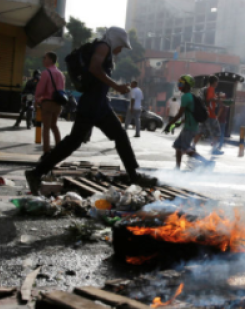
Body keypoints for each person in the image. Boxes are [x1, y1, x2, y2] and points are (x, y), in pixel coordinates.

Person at [25, 27, 156, 193]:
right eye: (121, 46)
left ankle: (133, 175)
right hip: (93, 104)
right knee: (76, 141)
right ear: (115, 40)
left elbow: (97, 75)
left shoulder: (104, 48)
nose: (120, 50)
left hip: (99, 103)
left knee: (118, 136)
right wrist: (115, 85)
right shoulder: (103, 47)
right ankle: (37, 172)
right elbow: (94, 68)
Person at [164, 75, 214, 170]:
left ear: (187, 85)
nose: (179, 85)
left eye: (181, 83)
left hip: (190, 128)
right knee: (178, 146)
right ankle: (177, 168)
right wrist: (179, 123)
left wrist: (170, 124)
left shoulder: (186, 97)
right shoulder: (190, 96)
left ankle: (207, 163)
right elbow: (189, 114)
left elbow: (179, 114)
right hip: (190, 126)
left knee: (186, 148)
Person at [35, 53, 64, 154]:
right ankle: (59, 148)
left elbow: (40, 89)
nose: (43, 60)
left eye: (45, 58)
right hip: (58, 103)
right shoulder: (60, 73)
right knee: (54, 126)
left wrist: (37, 98)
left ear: (51, 60)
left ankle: (46, 150)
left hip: (48, 102)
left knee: (46, 127)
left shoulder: (46, 73)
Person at [195, 76, 224, 155]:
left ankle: (192, 147)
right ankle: (214, 149)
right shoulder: (211, 89)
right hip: (211, 115)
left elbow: (210, 99)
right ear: (214, 82)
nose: (217, 83)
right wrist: (218, 99)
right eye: (217, 82)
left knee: (200, 132)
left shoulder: (208, 89)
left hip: (205, 114)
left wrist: (217, 97)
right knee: (217, 132)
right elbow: (209, 100)